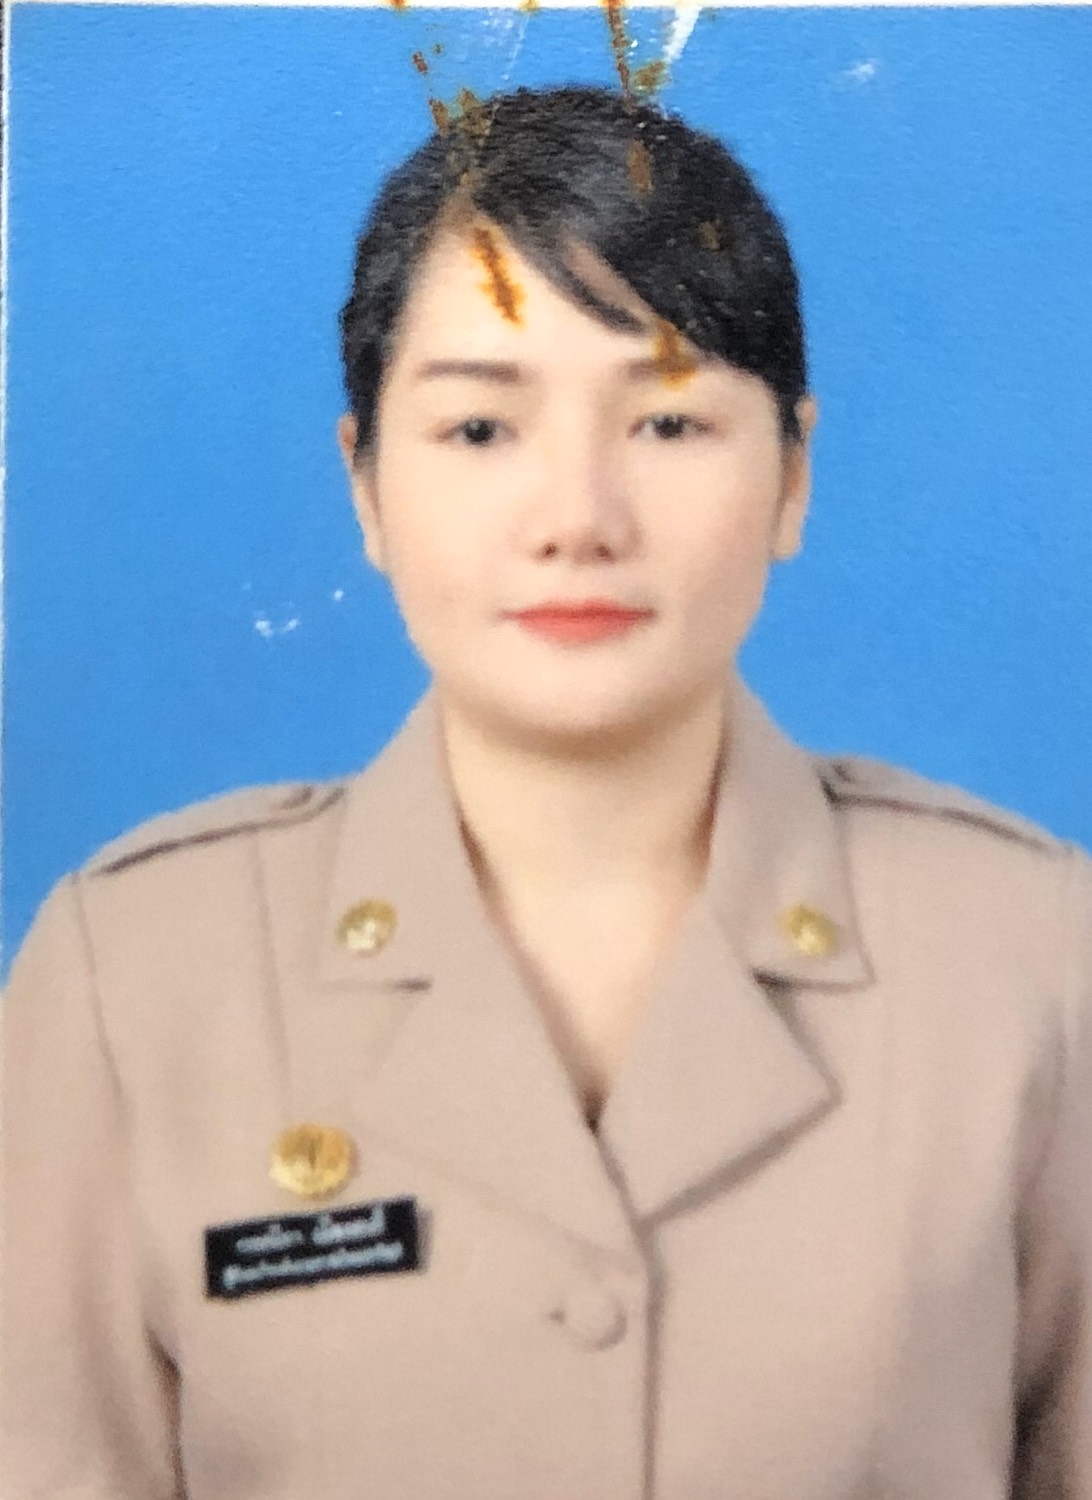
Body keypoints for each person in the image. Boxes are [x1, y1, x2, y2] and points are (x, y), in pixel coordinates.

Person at [2, 82, 1089, 1500]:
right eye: (479, 430)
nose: (577, 518)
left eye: (669, 424)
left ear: (792, 476)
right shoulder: (130, 978)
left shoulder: (1034, 957)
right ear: (366, 486)